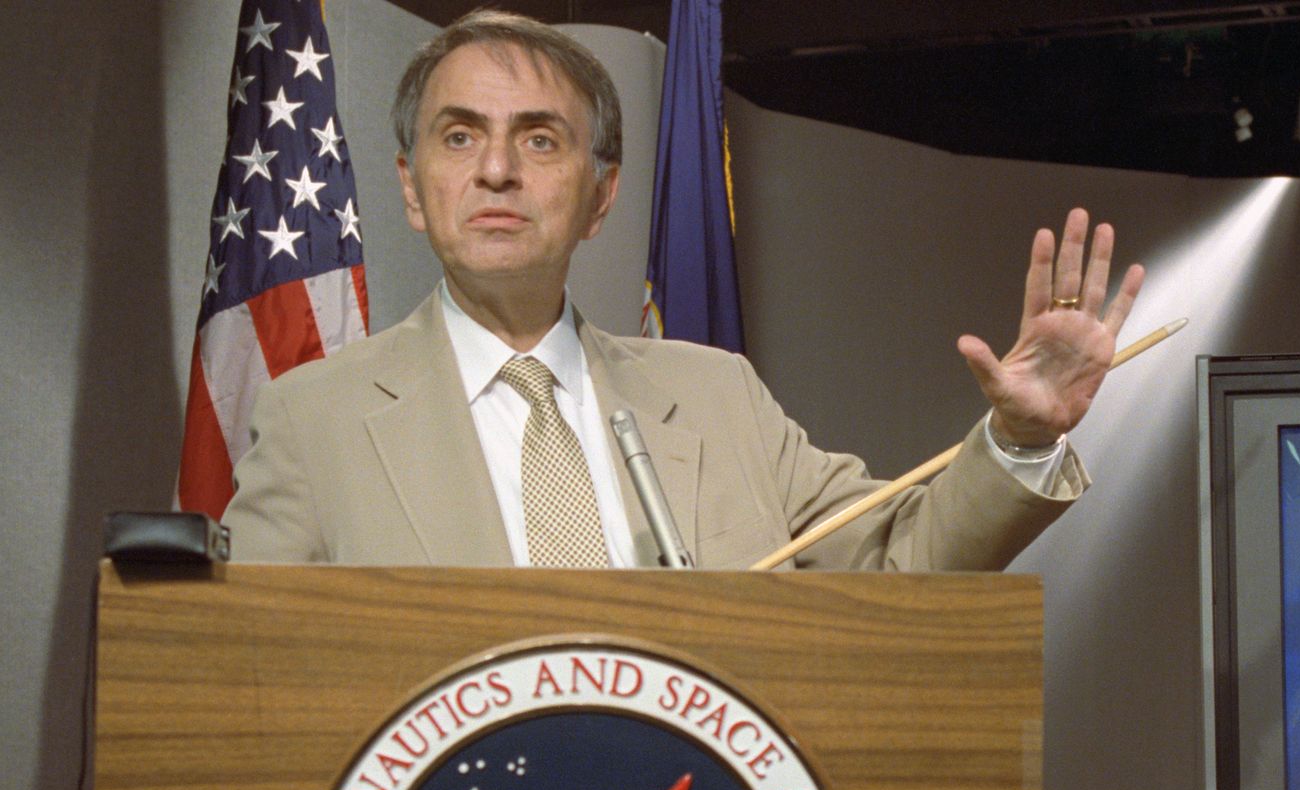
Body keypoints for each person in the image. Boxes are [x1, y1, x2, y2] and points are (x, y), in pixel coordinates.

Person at [222, 11, 1144, 570]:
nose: (497, 168)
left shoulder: (717, 399)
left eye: (541, 139)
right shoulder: (315, 420)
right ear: (412, 190)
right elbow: (243, 679)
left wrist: (1021, 439)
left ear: (602, 195)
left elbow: (899, 563)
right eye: (459, 137)